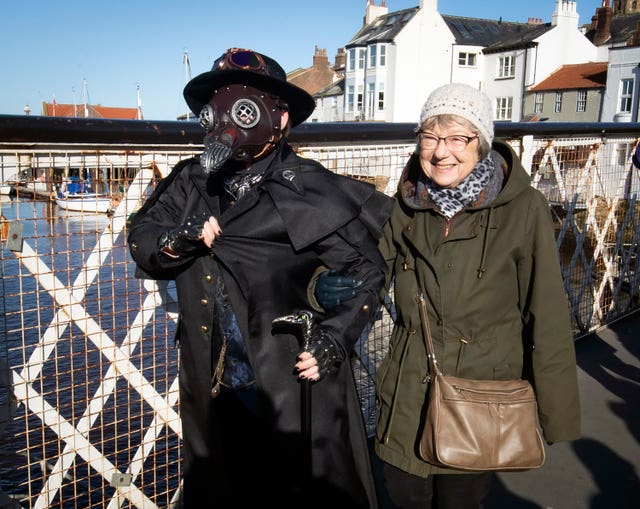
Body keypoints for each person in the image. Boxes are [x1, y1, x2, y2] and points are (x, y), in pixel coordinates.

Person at [127, 48, 393, 508]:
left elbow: (368, 270)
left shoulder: (311, 189)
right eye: (217, 107)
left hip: (288, 381)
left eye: (245, 108)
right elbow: (143, 237)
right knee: (223, 487)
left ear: (282, 117)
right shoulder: (192, 182)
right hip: (212, 382)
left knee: (296, 492)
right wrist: (178, 239)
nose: (227, 120)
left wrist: (335, 333)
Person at [313, 83, 581, 509]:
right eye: (430, 137)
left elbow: (545, 311)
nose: (441, 152)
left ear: (482, 142)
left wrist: (555, 412)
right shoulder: (403, 204)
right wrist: (321, 287)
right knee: (403, 495)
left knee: (461, 500)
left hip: (479, 396)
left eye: (458, 138)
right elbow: (366, 270)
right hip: (408, 389)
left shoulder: (524, 207)